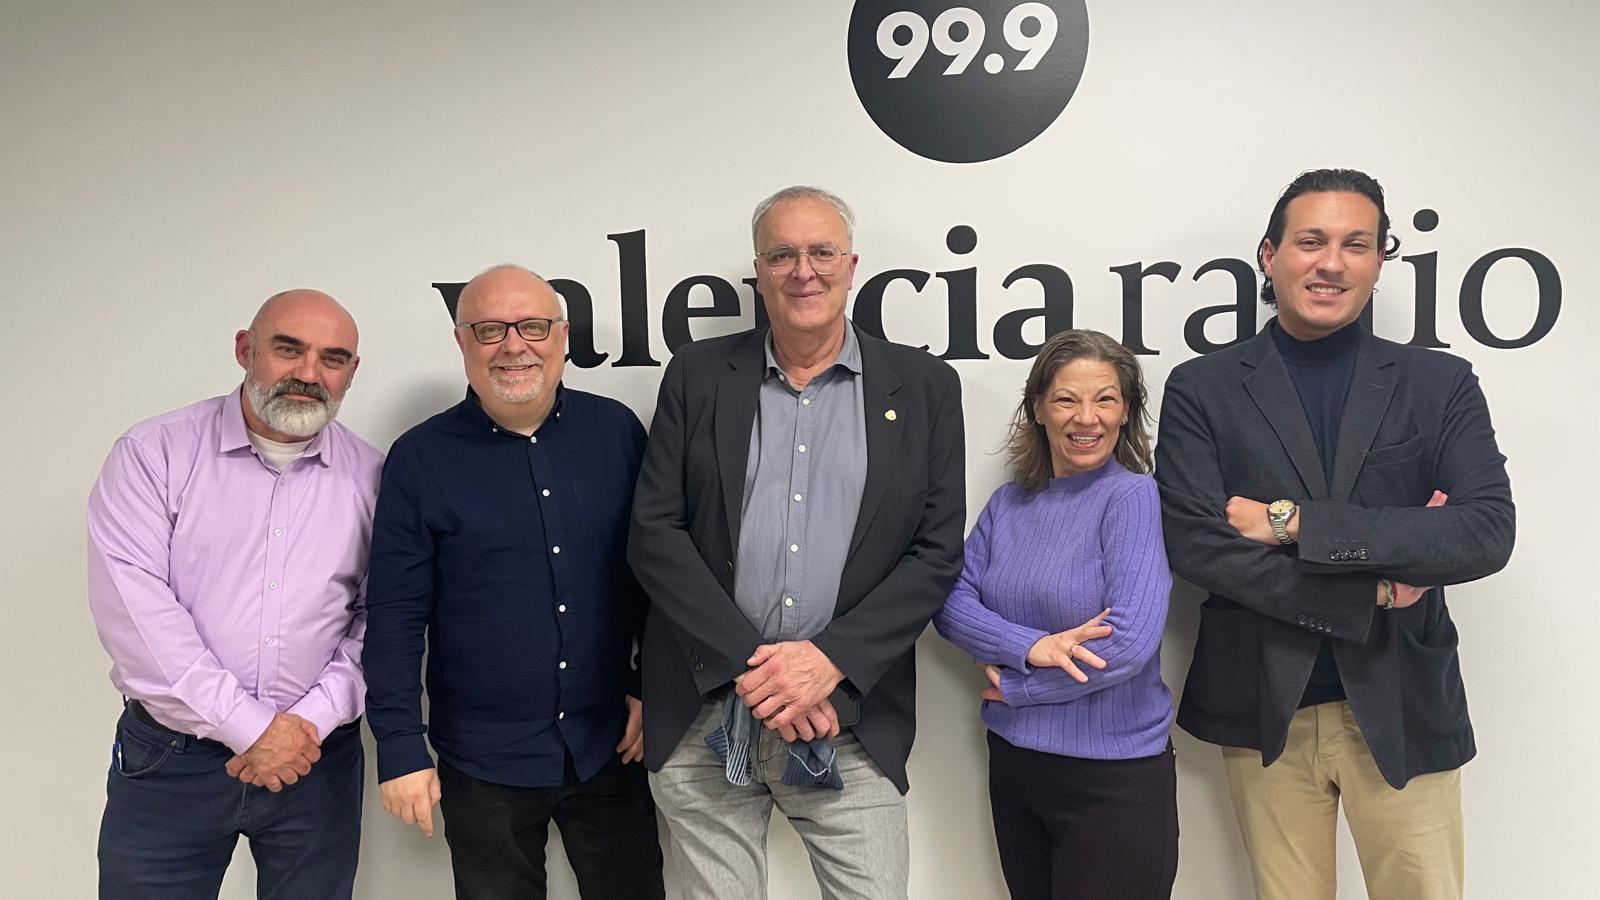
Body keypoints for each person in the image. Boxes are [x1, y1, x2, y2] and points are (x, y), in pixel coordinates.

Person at [1156, 168, 1516, 900]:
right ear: (1270, 255)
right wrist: (1373, 592)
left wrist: (1292, 522)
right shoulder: (1202, 388)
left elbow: (1484, 531)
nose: (1332, 263)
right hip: (1264, 706)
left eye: (1356, 244)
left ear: (1380, 260)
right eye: (1311, 241)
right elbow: (1199, 546)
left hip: (1405, 699)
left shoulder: (1439, 384)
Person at [628, 185, 966, 899]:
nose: (802, 271)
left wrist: (827, 661)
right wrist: (761, 670)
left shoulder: (926, 386)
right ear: (758, 271)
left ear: (851, 266)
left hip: (846, 714)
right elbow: (655, 534)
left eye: (821, 252)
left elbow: (935, 555)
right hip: (703, 706)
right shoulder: (697, 374)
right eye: (782, 255)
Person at [362, 264, 664, 899]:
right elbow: (394, 616)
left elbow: (653, 576)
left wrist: (647, 687)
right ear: (461, 341)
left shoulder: (616, 432)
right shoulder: (419, 459)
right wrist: (400, 745)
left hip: (608, 744)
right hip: (482, 761)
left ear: (562, 335)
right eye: (490, 330)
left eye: (532, 326)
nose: (514, 346)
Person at [88, 290, 380, 899]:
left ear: (351, 372)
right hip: (172, 761)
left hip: (317, 760)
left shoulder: (375, 478)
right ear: (246, 349)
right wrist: (252, 728)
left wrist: (307, 724)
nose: (309, 373)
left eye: (332, 358)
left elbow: (380, 619)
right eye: (288, 349)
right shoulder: (153, 455)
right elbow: (138, 614)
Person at [934, 328, 1177, 899]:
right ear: (1038, 408)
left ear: (1126, 411)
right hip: (1016, 764)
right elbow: (949, 602)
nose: (1086, 418)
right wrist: (1029, 646)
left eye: (1105, 399)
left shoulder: (1131, 497)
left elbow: (1129, 641)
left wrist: (1021, 690)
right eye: (1067, 399)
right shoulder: (1008, 503)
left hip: (1112, 779)